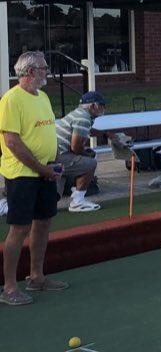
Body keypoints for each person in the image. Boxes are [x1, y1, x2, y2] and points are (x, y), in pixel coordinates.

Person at [1, 52, 67, 305]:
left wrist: (56, 159)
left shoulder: (44, 97)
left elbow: (49, 130)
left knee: (43, 222)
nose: (47, 72)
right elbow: (12, 142)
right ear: (30, 72)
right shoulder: (11, 100)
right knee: (19, 228)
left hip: (47, 171)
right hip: (22, 174)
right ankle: (9, 287)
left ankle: (37, 276)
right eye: (44, 68)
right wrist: (41, 168)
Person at [54, 91, 106, 212]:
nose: (104, 108)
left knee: (52, 197)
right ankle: (78, 201)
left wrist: (107, 135)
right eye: (102, 104)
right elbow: (75, 148)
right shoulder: (83, 118)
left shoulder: (79, 114)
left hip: (55, 154)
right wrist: (87, 154)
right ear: (93, 106)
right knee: (90, 163)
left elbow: (87, 131)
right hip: (60, 156)